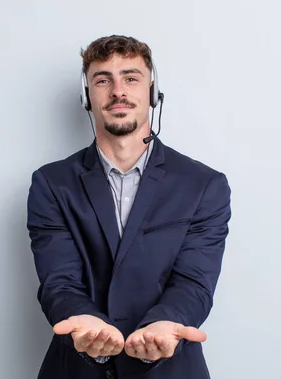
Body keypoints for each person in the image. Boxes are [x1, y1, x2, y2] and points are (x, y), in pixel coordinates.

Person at [26, 35, 232, 379]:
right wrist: (88, 326)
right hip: (77, 369)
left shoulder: (204, 185)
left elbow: (194, 281)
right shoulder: (51, 183)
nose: (118, 91)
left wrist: (164, 324)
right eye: (103, 79)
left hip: (170, 369)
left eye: (131, 78)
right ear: (86, 96)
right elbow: (58, 282)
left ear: (152, 92)